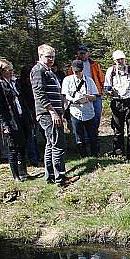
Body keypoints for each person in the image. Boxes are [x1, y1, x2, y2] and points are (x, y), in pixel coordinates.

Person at [31, 44, 78, 185]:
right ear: (40, 56)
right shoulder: (38, 70)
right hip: (48, 114)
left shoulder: (48, 71)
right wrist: (52, 112)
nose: (51, 59)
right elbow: (39, 93)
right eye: (48, 56)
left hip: (54, 113)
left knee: (51, 145)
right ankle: (61, 178)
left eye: (53, 56)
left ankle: (50, 176)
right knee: (58, 145)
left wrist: (60, 110)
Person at [0, 58, 31, 182]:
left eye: (11, 69)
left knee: (22, 145)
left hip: (21, 118)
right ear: (1, 71)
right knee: (13, 148)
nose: (11, 72)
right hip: (10, 120)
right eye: (8, 69)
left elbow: (22, 100)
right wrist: (5, 125)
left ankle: (23, 172)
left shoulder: (15, 83)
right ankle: (16, 176)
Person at [104, 50, 130, 161]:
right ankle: (118, 152)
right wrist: (108, 92)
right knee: (117, 129)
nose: (120, 61)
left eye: (122, 59)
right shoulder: (110, 71)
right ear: (114, 61)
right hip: (116, 103)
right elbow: (106, 86)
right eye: (118, 60)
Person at [61, 59, 99, 157]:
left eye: (78, 71)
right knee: (79, 136)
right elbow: (65, 95)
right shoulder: (67, 80)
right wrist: (74, 100)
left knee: (93, 135)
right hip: (75, 112)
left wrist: (87, 96)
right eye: (75, 71)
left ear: (82, 70)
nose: (77, 73)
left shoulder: (89, 80)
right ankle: (83, 156)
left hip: (89, 112)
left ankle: (95, 154)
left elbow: (95, 97)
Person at [76, 45, 105, 136]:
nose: (83, 55)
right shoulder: (75, 64)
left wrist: (102, 89)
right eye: (81, 53)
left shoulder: (94, 64)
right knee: (83, 115)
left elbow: (101, 78)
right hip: (81, 94)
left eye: (84, 53)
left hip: (95, 93)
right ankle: (85, 136)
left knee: (97, 114)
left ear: (88, 53)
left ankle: (94, 132)